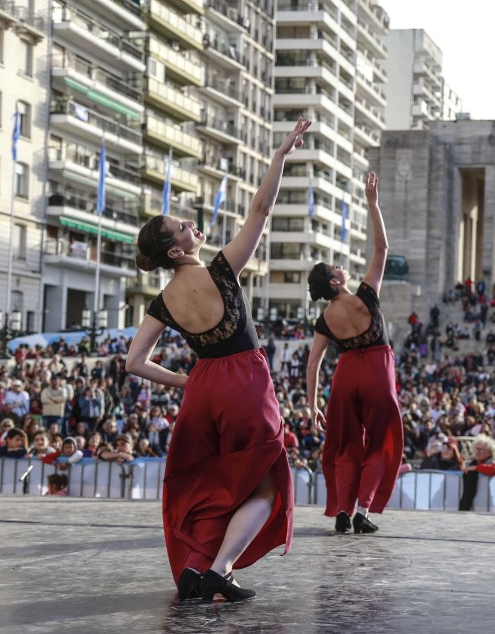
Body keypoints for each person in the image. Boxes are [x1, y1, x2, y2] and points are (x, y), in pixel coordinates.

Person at [125, 117, 310, 602]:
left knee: (214, 483)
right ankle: (221, 570)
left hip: (204, 386)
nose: (190, 224)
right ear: (176, 247)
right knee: (267, 483)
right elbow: (262, 208)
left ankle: (194, 566)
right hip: (244, 380)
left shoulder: (163, 299)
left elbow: (133, 362)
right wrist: (279, 156)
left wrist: (187, 382)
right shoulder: (222, 269)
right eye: (180, 225)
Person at [305, 171, 404, 536]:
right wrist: (372, 204)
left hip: (345, 374)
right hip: (377, 368)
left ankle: (343, 510)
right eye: (336, 267)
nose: (341, 266)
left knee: (345, 445)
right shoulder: (365, 295)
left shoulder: (324, 319)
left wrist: (311, 403)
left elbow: (314, 364)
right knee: (379, 442)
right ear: (335, 281)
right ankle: (363, 509)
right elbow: (382, 249)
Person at [459, 434, 495, 511]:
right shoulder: (471, 463)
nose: (478, 452)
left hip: (488, 506)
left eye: (481, 449)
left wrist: (476, 468)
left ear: (490, 452)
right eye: (476, 449)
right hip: (470, 505)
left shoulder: (491, 463)